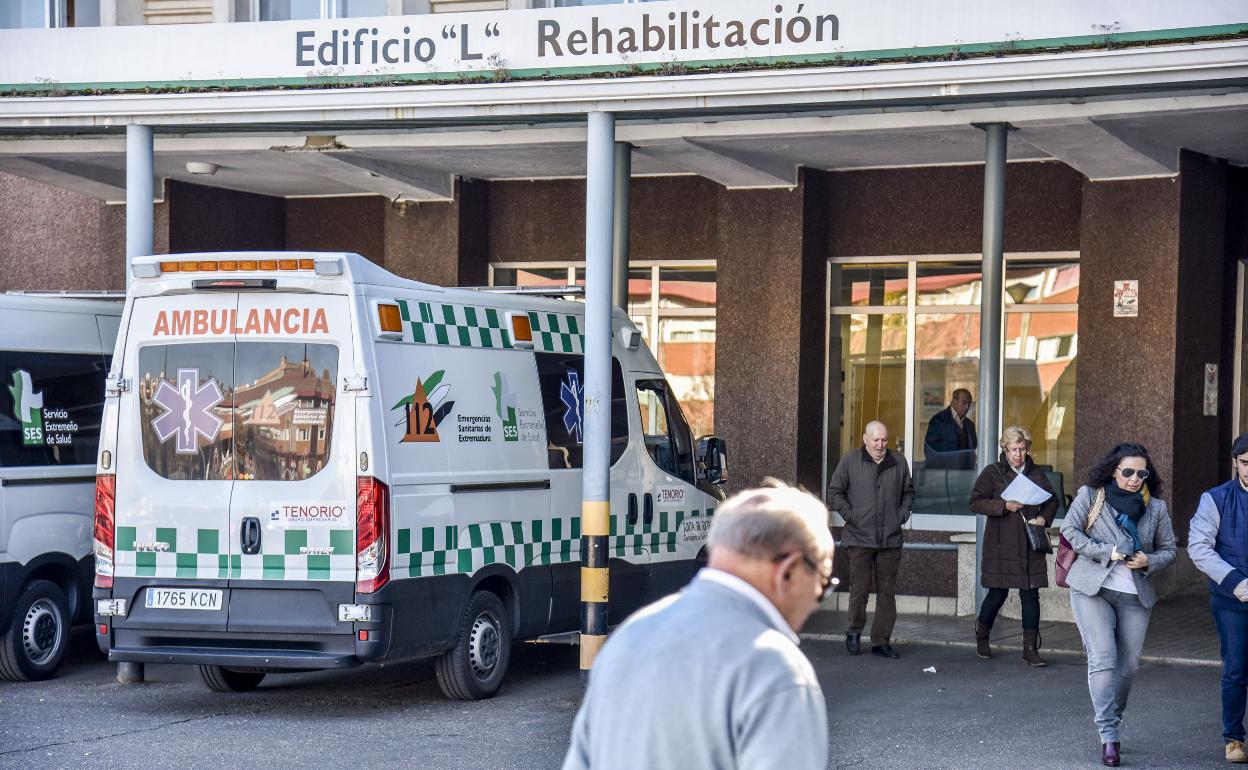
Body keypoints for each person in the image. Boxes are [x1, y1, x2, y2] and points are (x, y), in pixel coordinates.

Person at [562, 481, 834, 770]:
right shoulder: (775, 669)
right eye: (824, 583)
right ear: (789, 570)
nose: (819, 599)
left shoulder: (630, 636)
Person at [1061, 443, 1177, 767]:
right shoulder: (1091, 495)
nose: (1134, 478)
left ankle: (1114, 715)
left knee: (1129, 667)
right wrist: (1105, 551)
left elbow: (1170, 550)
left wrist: (1147, 560)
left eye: (1142, 473)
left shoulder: (1155, 508)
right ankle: (1109, 735)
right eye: (1128, 472)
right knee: (1102, 659)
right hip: (1092, 589)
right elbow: (1068, 530)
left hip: (1134, 595)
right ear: (1115, 471)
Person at [968, 426, 1058, 666]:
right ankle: (982, 635)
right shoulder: (993, 472)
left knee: (1031, 594)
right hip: (1001, 544)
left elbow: (1052, 500)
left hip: (1029, 543)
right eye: (1013, 450)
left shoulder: (1035, 472)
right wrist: (1002, 506)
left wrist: (1043, 518)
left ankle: (1030, 649)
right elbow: (975, 502)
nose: (1018, 454)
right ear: (1004, 449)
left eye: (1022, 449)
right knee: (997, 593)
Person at [827, 420, 914, 659]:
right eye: (875, 440)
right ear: (865, 439)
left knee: (887, 592)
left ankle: (881, 641)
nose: (880, 444)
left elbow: (908, 491)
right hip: (859, 537)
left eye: (884, 440)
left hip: (890, 538)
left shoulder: (898, 461)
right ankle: (854, 632)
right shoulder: (850, 461)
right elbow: (835, 492)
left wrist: (901, 515)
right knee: (860, 589)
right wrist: (852, 516)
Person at [1188, 432, 1248, 764]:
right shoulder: (1215, 499)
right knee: (1236, 668)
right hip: (1231, 600)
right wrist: (1239, 584)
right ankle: (1234, 739)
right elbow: (1199, 549)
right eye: (1245, 463)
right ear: (1235, 463)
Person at [924, 388, 978, 469]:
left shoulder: (970, 425)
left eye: (969, 404)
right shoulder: (939, 420)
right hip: (943, 474)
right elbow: (929, 451)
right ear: (954, 401)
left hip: (966, 474)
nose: (967, 407)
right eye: (964, 403)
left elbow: (973, 449)